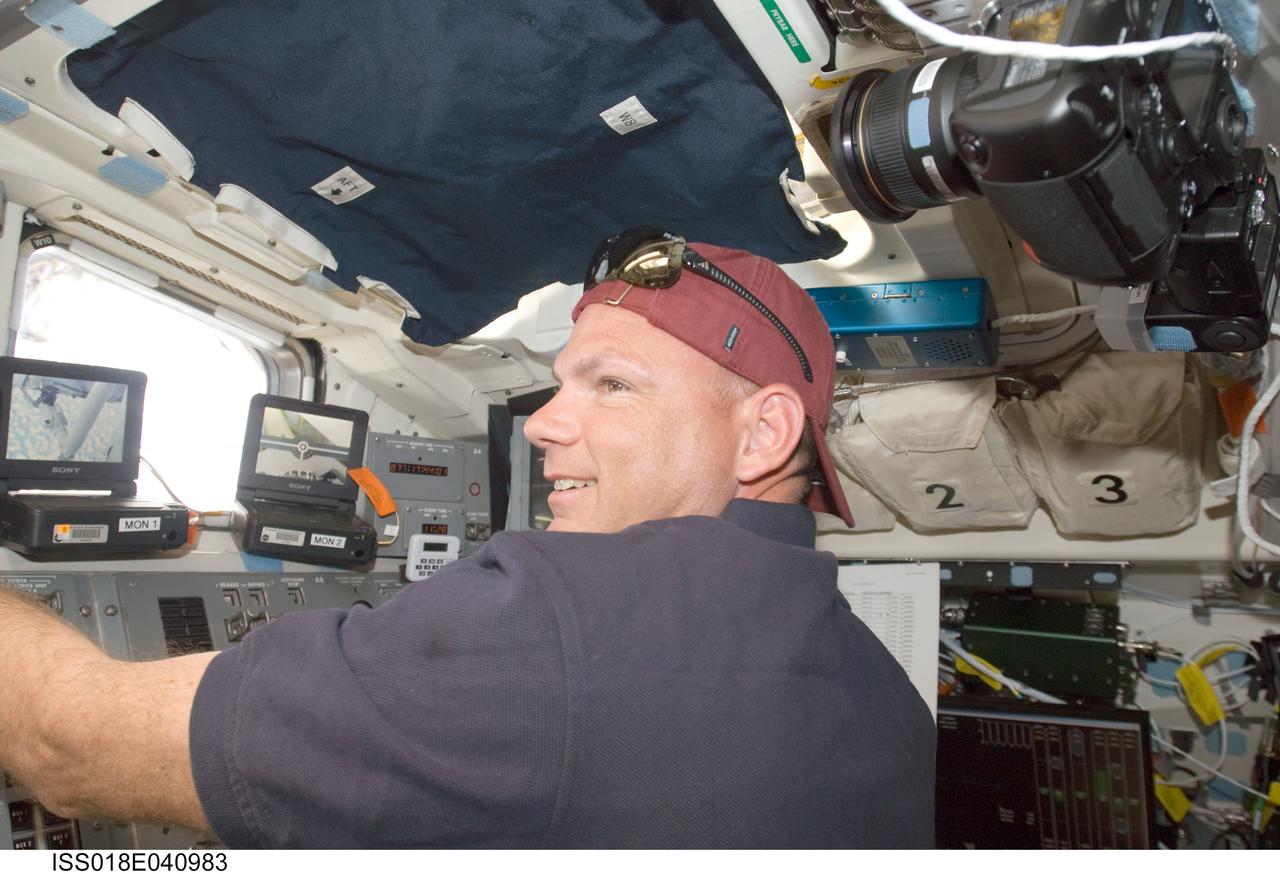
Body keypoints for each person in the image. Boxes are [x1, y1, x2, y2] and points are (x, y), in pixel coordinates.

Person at [0, 230, 934, 848]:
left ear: (766, 434)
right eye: (558, 384)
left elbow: (65, 746)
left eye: (612, 385)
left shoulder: (559, 618)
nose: (540, 424)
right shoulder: (886, 695)